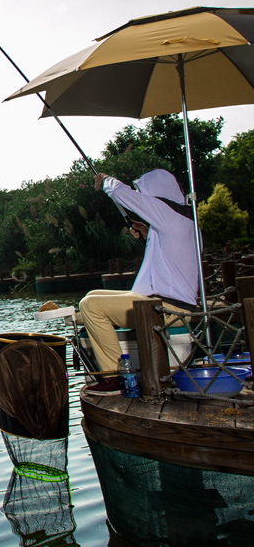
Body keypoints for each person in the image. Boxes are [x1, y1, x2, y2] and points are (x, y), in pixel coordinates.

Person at [79, 168, 199, 396]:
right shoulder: (185, 221)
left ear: (157, 193)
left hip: (166, 309)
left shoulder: (169, 215)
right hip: (164, 303)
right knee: (94, 295)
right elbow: (171, 259)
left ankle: (116, 377)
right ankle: (118, 371)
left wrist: (106, 181)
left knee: (90, 306)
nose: (146, 199)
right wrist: (147, 234)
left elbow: (126, 196)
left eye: (146, 194)